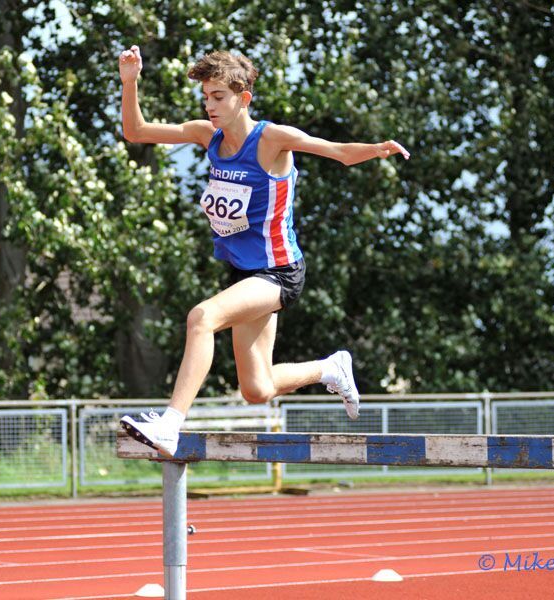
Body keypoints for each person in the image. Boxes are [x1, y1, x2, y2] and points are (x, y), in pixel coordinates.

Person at [118, 46, 410, 458]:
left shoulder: (272, 139)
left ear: (244, 98)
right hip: (246, 274)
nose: (210, 105)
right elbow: (137, 132)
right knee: (256, 389)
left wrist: (377, 149)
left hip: (279, 272)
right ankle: (330, 368)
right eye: (206, 97)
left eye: (218, 97)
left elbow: (339, 152)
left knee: (201, 318)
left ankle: (170, 422)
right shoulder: (208, 136)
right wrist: (130, 83)